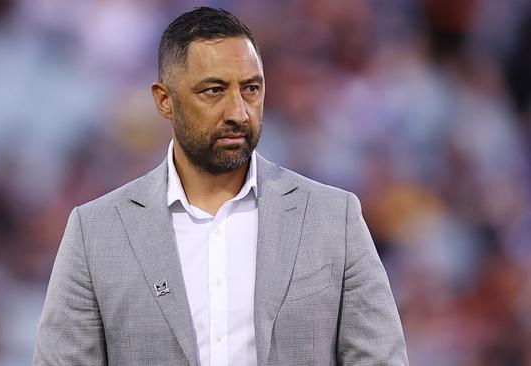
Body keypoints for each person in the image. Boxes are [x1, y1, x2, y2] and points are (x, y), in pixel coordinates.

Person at [33, 6, 408, 366]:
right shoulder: (96, 232)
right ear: (164, 101)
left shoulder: (333, 219)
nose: (238, 112)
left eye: (251, 89)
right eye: (214, 90)